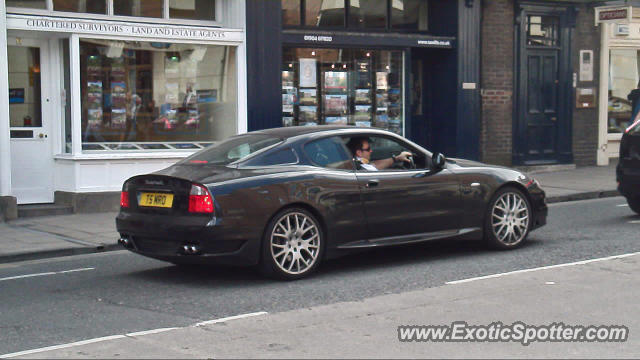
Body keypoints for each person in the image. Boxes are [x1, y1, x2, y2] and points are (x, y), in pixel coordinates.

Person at [346, 137, 412, 171]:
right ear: (359, 153)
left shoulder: (357, 162)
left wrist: (396, 158)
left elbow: (374, 164)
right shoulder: (362, 167)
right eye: (368, 149)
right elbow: (374, 167)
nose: (371, 151)